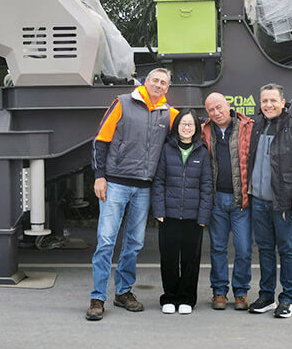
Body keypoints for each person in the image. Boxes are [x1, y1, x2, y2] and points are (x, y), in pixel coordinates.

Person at [86, 68, 178, 321]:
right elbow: (101, 141)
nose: (158, 85)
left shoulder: (169, 114)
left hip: (144, 187)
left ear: (167, 88)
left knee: (135, 243)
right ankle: (97, 297)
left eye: (163, 82)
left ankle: (123, 291)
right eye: (155, 80)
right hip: (115, 184)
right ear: (145, 82)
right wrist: (100, 176)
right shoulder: (122, 103)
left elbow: (192, 130)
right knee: (106, 240)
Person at [247, 83, 292, 318]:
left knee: (287, 251)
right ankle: (266, 296)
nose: (268, 105)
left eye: (273, 100)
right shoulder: (257, 124)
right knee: (265, 249)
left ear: (283, 102)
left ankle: (287, 299)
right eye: (264, 100)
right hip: (258, 201)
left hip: (285, 204)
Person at [151, 109, 213, 315]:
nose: (187, 127)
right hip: (168, 214)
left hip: (193, 217)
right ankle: (169, 297)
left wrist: (203, 215)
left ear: (196, 128)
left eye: (191, 124)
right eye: (183, 124)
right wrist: (158, 209)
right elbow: (158, 181)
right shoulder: (166, 149)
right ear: (177, 126)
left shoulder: (202, 151)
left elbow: (206, 186)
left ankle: (187, 298)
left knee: (190, 259)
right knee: (168, 257)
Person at [201, 92, 254, 310]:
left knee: (243, 249)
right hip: (216, 200)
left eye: (219, 107)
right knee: (218, 248)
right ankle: (219, 292)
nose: (216, 112)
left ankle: (241, 292)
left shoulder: (246, 126)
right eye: (211, 110)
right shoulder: (204, 130)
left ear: (228, 105)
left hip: (239, 200)